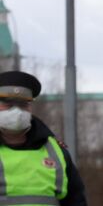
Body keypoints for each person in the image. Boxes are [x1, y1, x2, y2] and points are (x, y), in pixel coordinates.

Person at [0, 71, 87, 205]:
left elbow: (76, 201)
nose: (16, 111)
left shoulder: (56, 152)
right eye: (8, 104)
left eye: (23, 104)